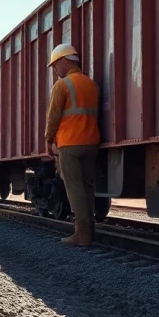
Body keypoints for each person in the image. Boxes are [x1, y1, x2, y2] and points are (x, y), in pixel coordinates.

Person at [44, 43, 100, 247]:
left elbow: (53, 117)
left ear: (65, 61)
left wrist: (48, 140)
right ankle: (90, 230)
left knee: (74, 188)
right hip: (92, 142)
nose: (55, 70)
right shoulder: (92, 85)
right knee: (87, 187)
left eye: (55, 65)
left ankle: (81, 234)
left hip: (70, 143)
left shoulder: (62, 86)